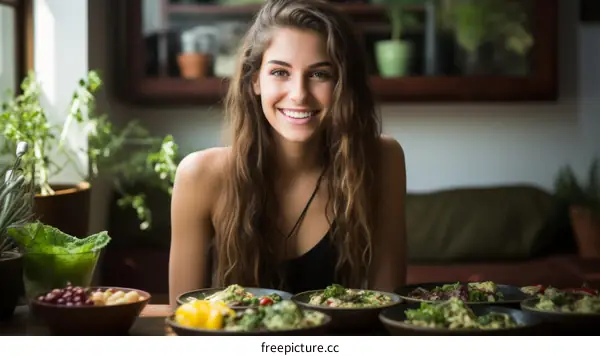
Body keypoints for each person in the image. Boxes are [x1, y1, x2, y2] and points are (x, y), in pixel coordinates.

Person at [168, 0, 407, 306]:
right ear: (255, 80)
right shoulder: (200, 175)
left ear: (343, 85)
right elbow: (183, 320)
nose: (299, 94)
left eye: (320, 74)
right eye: (280, 72)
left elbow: (386, 310)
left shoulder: (381, 159)